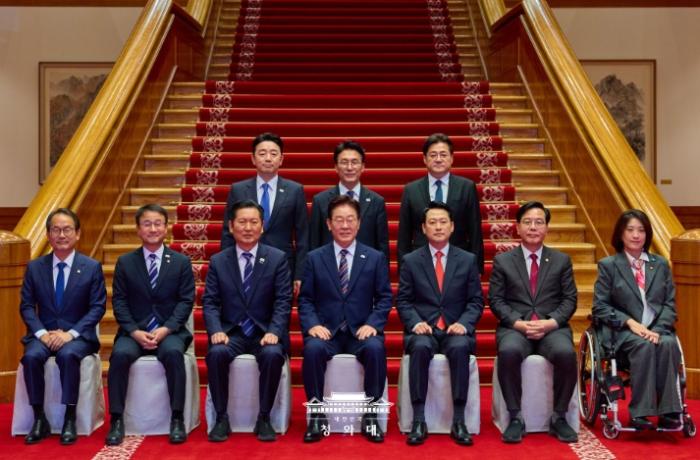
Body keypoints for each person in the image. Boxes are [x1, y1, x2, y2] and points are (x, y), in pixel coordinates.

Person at [298, 195, 392, 443]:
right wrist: (313, 325)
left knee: (375, 348)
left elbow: (384, 298)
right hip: (327, 331)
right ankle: (316, 416)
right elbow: (305, 299)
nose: (345, 225)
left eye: (350, 219)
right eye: (339, 220)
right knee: (313, 349)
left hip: (360, 330)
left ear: (359, 223)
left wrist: (372, 324)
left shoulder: (374, 257)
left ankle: (370, 416)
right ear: (329, 224)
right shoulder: (315, 258)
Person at [488, 201, 578, 443]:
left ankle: (559, 417)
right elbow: (495, 300)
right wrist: (518, 323)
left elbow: (570, 300)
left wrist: (551, 323)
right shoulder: (504, 261)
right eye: (527, 222)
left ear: (547, 227)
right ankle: (515, 417)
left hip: (551, 328)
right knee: (508, 352)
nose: (533, 227)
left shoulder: (561, 260)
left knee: (566, 353)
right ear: (517, 227)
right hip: (516, 328)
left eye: (539, 222)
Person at [106, 204, 195, 446]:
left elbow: (186, 301)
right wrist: (134, 331)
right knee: (119, 355)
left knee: (174, 354)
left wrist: (166, 329)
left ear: (166, 228)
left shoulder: (180, 262)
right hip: (134, 332)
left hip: (169, 331)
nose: (153, 229)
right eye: (147, 224)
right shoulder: (126, 262)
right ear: (138, 229)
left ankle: (177, 418)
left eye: (158, 224)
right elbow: (120, 302)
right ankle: (116, 419)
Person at [204, 199, 292, 442]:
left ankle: (264, 417)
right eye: (242, 222)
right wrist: (216, 330)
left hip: (264, 333)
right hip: (231, 332)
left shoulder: (277, 258)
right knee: (217, 353)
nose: (248, 227)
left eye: (254, 222)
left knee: (273, 354)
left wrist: (274, 331)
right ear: (231, 226)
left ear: (262, 227)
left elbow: (283, 300)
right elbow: (210, 302)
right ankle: (221, 418)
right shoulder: (219, 261)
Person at [397, 202, 484, 446]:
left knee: (459, 347)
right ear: (424, 228)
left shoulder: (467, 260)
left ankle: (459, 420)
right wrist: (415, 323)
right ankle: (418, 420)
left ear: (452, 226)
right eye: (432, 222)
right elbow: (403, 300)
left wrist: (464, 324)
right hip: (423, 329)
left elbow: (476, 301)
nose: (438, 227)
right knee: (420, 347)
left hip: (455, 328)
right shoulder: (411, 260)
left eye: (443, 222)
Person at [19, 208, 106, 445]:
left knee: (67, 356)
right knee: (31, 357)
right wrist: (41, 334)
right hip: (44, 335)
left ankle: (69, 417)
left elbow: (97, 307)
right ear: (48, 235)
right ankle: (39, 418)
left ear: (77, 233)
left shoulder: (91, 267)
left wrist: (70, 334)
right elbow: (27, 306)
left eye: (67, 229)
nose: (61, 235)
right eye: (55, 230)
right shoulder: (35, 267)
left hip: (77, 337)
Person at [592, 209, 683, 430]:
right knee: (643, 345)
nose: (636, 235)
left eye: (641, 230)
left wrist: (658, 330)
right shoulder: (609, 265)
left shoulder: (660, 264)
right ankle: (641, 412)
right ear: (620, 234)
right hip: (623, 333)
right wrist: (631, 323)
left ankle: (669, 411)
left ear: (647, 234)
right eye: (630, 229)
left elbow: (669, 304)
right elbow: (600, 307)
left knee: (668, 343)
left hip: (656, 330)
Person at [220, 132, 308, 295]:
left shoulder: (295, 190)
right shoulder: (238, 189)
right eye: (262, 153)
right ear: (253, 159)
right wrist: (225, 268)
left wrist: (300, 274)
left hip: (283, 266)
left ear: (281, 159)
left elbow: (303, 235)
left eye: (273, 154)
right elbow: (227, 232)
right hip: (245, 262)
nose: (268, 158)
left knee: (280, 308)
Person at [397, 133, 483, 271]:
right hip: (420, 263)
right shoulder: (411, 190)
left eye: (443, 155)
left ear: (452, 158)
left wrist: (476, 268)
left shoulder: (466, 187)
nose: (438, 159)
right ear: (424, 159)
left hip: (459, 262)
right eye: (433, 155)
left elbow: (475, 231)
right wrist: (403, 269)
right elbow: (404, 235)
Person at [309, 140, 389, 259]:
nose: (349, 167)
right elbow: (314, 243)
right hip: (329, 265)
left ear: (363, 167)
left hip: (367, 266)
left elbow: (382, 246)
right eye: (344, 162)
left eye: (354, 162)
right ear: (336, 167)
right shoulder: (320, 201)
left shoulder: (376, 201)